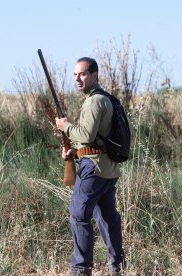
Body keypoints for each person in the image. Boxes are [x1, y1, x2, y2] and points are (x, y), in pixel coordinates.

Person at [55, 57, 125, 276]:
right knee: (106, 217)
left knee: (79, 215)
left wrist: (65, 126)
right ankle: (117, 266)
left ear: (94, 75)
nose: (77, 79)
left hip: (93, 170)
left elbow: (85, 134)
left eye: (82, 74)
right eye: (75, 74)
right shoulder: (107, 99)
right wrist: (75, 151)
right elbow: (95, 140)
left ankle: (80, 270)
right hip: (107, 168)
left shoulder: (94, 101)